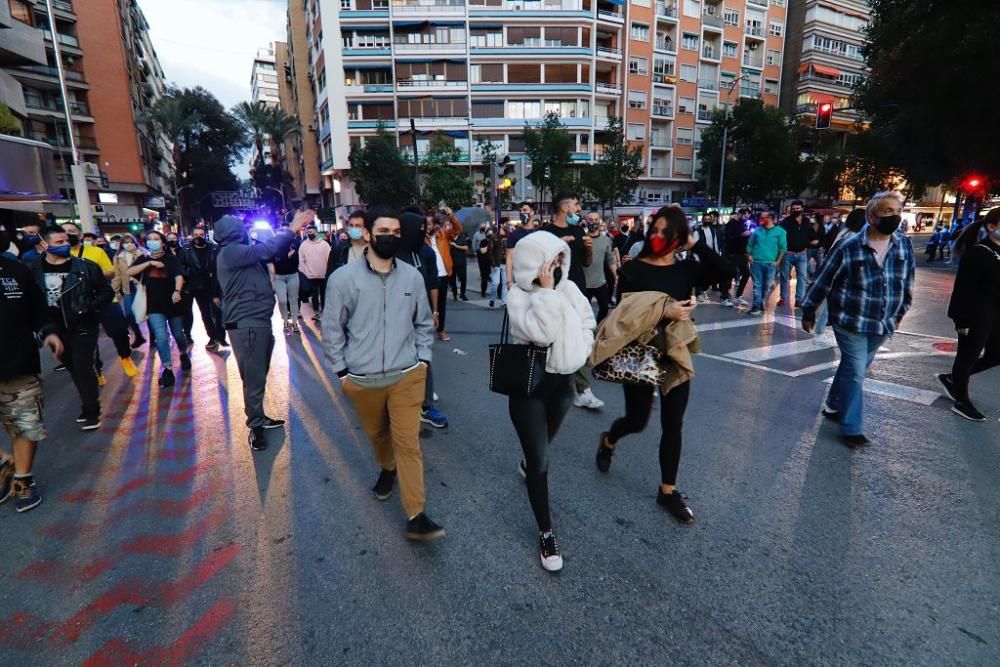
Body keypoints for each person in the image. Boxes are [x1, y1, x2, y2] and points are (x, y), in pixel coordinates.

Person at [596, 205, 735, 524]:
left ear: (678, 237)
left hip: (674, 351)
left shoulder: (686, 269)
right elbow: (626, 315)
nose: (657, 236)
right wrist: (665, 311)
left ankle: (668, 490)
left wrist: (696, 244)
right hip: (639, 352)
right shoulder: (634, 269)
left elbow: (727, 271)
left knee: (673, 423)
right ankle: (609, 439)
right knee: (637, 420)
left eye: (665, 232)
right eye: (654, 230)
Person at [323, 207, 445, 541]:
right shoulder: (342, 280)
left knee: (408, 443)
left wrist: (423, 361)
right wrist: (342, 372)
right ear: (368, 234)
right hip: (362, 379)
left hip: (407, 375)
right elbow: (332, 329)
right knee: (378, 436)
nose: (390, 237)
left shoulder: (412, 277)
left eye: (396, 232)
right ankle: (387, 468)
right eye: (383, 231)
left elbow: (424, 323)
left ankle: (416, 514)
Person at [506, 231, 596, 571]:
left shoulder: (569, 289)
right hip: (529, 387)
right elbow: (541, 335)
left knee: (544, 443)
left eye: (560, 258)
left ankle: (528, 462)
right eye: (550, 260)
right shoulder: (518, 296)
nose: (556, 266)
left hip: (563, 385)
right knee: (541, 461)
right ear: (533, 262)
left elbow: (587, 321)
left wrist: (582, 347)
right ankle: (546, 533)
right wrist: (545, 292)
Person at [802, 191, 916, 448]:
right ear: (871, 216)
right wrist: (809, 310)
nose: (895, 216)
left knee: (854, 367)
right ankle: (851, 426)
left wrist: (900, 313)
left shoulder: (903, 244)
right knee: (856, 371)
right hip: (850, 320)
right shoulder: (849, 245)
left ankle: (833, 404)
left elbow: (908, 281)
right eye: (888, 211)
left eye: (897, 211)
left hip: (883, 322)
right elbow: (824, 278)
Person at [216, 212, 310, 450]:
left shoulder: (236, 253)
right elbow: (267, 250)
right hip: (247, 324)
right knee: (254, 377)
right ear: (236, 232)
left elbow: (271, 252)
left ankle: (258, 418)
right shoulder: (232, 251)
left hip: (255, 322)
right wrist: (292, 228)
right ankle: (256, 427)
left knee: (256, 374)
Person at [27, 225, 114, 430]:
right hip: (53, 328)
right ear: (44, 245)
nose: (66, 244)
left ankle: (92, 410)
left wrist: (87, 307)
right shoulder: (32, 270)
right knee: (74, 368)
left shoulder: (86, 267)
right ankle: (87, 404)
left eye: (66, 240)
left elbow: (106, 292)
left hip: (83, 324)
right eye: (59, 242)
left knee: (83, 366)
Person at [0, 251, 63, 512]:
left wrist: (49, 331)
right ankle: (4, 463)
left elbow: (39, 309)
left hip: (17, 364)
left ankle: (23, 479)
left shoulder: (16, 271)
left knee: (25, 425)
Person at [540, 193, 603, 410]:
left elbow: (586, 263)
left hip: (578, 293)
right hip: (555, 293)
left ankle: (583, 389)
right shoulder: (545, 233)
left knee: (584, 337)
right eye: (576, 204)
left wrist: (589, 249)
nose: (579, 208)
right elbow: (540, 264)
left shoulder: (578, 231)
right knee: (553, 338)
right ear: (564, 207)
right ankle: (552, 384)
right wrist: (558, 245)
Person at [938, 209, 1000, 422]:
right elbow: (963, 288)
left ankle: (952, 379)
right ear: (991, 227)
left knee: (995, 356)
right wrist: (961, 319)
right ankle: (962, 401)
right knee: (967, 356)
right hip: (977, 313)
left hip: (997, 313)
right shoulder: (978, 252)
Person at [63, 222, 136, 383]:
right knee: (88, 339)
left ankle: (125, 357)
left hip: (104, 298)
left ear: (79, 235)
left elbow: (110, 272)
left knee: (119, 330)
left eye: (71, 231)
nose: (68, 234)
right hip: (79, 303)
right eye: (64, 231)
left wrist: (90, 275)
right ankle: (97, 370)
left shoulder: (96, 251)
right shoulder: (61, 255)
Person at [397, 211, 449, 430]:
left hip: (421, 317)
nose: (423, 231)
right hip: (396, 319)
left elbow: (433, 283)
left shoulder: (426, 252)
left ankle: (426, 407)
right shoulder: (390, 254)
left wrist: (434, 311)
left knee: (424, 360)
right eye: (419, 228)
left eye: (424, 228)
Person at [127, 231, 190, 388]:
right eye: (149, 239)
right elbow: (129, 271)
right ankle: (167, 369)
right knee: (161, 337)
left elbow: (179, 275)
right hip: (154, 305)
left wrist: (177, 291)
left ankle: (183, 353)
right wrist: (149, 263)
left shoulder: (171, 258)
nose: (152, 241)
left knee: (178, 334)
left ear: (163, 243)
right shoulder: (143, 259)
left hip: (173, 303)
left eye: (156, 239)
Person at [814, 208, 867, 335]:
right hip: (848, 274)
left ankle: (820, 327)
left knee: (832, 300)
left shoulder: (844, 232)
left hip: (836, 271)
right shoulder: (857, 237)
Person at [181, 225, 227, 349]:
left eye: (201, 235)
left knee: (218, 312)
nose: (198, 237)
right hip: (197, 287)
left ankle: (221, 337)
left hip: (214, 285)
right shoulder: (186, 250)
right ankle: (212, 337)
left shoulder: (214, 248)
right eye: (196, 235)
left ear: (205, 235)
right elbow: (182, 266)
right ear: (192, 236)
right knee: (205, 313)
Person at [426, 207, 462, 341]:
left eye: (430, 224)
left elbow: (458, 229)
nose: (428, 227)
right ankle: (426, 330)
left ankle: (441, 330)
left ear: (436, 224)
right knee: (428, 304)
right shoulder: (422, 239)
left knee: (441, 304)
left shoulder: (443, 234)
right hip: (429, 276)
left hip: (443, 274)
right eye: (426, 224)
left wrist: (451, 215)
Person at [746, 212, 786, 316]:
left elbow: (783, 248)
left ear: (770, 218)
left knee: (766, 286)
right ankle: (756, 306)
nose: (760, 219)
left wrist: (778, 261)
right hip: (756, 262)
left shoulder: (780, 232)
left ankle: (761, 302)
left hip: (771, 263)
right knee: (757, 285)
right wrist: (749, 256)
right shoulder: (757, 231)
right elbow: (750, 244)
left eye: (763, 218)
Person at [111, 233, 147, 347]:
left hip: (142, 286)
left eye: (131, 242)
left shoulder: (142, 253)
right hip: (128, 287)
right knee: (129, 313)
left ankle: (154, 338)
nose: (129, 244)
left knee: (148, 312)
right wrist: (115, 291)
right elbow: (117, 275)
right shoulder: (118, 257)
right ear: (122, 244)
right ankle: (139, 336)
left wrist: (137, 254)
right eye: (126, 242)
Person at [778, 201, 813, 308]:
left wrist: (809, 244)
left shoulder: (806, 221)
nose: (795, 210)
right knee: (784, 277)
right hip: (788, 254)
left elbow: (810, 235)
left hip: (802, 254)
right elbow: (780, 236)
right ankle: (783, 298)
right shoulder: (786, 222)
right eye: (793, 209)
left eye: (797, 208)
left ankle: (799, 300)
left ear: (802, 209)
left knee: (802, 277)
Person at [582, 215, 616, 323]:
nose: (593, 222)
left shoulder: (606, 240)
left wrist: (616, 275)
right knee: (583, 312)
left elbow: (610, 259)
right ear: (586, 221)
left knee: (604, 308)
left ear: (599, 221)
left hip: (600, 282)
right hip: (584, 283)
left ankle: (597, 328)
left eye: (596, 219)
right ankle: (587, 329)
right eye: (591, 219)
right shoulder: (582, 238)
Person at [273, 221, 303, 335]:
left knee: (293, 299)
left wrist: (290, 256)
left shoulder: (294, 243)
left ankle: (294, 322)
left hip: (293, 275)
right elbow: (273, 260)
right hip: (279, 276)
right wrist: (286, 256)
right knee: (282, 300)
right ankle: (285, 321)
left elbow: (297, 260)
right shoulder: (274, 244)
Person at [299, 223, 331, 322]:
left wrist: (328, 271)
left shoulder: (324, 244)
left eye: (311, 232)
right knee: (314, 295)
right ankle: (316, 312)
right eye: (308, 232)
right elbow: (301, 260)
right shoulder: (304, 245)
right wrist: (305, 272)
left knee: (324, 293)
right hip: (310, 275)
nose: (310, 234)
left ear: (316, 232)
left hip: (324, 274)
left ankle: (324, 311)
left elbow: (329, 259)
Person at [722, 208, 753, 307]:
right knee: (729, 274)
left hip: (742, 253)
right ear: (739, 214)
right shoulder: (731, 224)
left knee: (746, 274)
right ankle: (725, 297)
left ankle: (738, 295)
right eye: (745, 216)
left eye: (747, 217)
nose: (746, 218)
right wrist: (741, 235)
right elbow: (728, 238)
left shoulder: (742, 224)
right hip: (732, 253)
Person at [695, 212, 725, 304]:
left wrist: (717, 255)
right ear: (702, 220)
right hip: (701, 257)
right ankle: (698, 294)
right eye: (706, 219)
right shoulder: (697, 231)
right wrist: (696, 257)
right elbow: (694, 245)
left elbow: (715, 243)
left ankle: (702, 290)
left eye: (709, 219)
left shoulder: (712, 230)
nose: (707, 221)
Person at [327, 210, 367, 275]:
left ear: (366, 228)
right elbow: (330, 272)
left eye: (358, 226)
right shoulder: (339, 248)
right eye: (351, 225)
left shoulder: (373, 248)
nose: (353, 228)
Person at [449, 224, 471, 302]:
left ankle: (462, 294)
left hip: (461, 262)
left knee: (463, 279)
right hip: (452, 263)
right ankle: (455, 294)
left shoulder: (462, 237)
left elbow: (466, 248)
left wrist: (456, 246)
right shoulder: (449, 238)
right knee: (452, 280)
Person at [472, 223, 490, 297]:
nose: (483, 228)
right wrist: (474, 251)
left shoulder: (487, 234)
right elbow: (474, 242)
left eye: (484, 227)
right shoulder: (477, 234)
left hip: (488, 254)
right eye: (482, 227)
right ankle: (483, 291)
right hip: (480, 253)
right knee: (483, 272)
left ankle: (486, 275)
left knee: (487, 273)